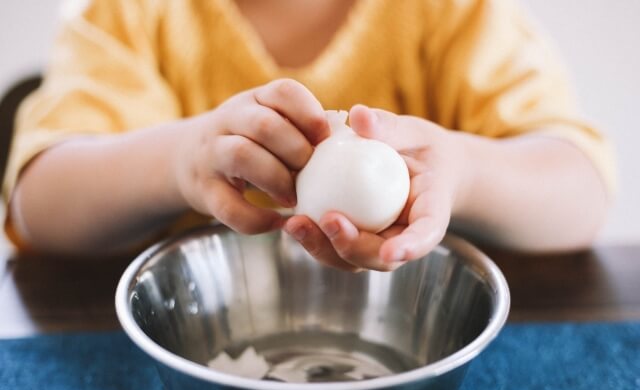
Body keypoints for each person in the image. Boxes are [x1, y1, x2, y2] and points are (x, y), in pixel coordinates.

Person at [3, 0, 615, 272]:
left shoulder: (454, 12)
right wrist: (178, 162)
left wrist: (465, 170)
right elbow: (39, 202)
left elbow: (578, 188)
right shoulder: (135, 13)